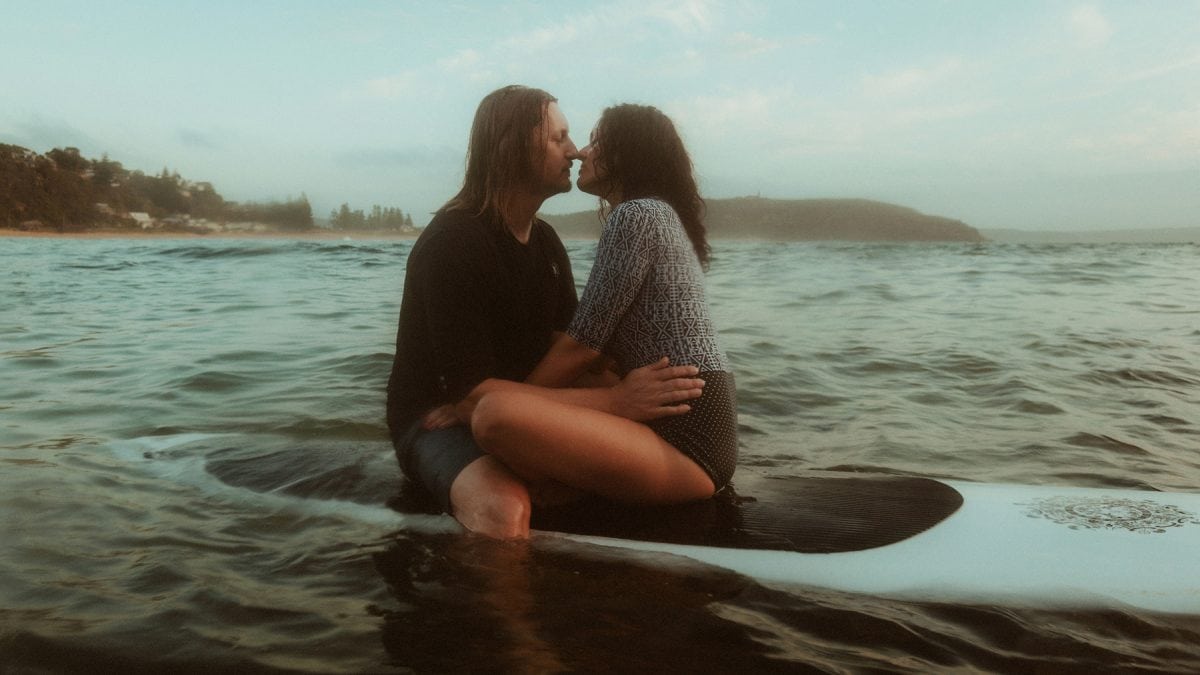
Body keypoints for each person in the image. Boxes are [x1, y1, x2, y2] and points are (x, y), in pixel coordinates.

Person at [386, 86, 705, 539]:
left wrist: (638, 388)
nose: (574, 153)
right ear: (512, 146)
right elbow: (472, 398)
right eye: (559, 138)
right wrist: (616, 403)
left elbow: (572, 350)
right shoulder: (452, 244)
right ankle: (503, 613)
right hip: (437, 418)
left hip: (518, 405)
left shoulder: (546, 243)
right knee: (504, 509)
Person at [457, 103, 738, 514]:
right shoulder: (655, 214)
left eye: (596, 142)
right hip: (688, 428)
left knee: (494, 415)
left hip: (687, 445)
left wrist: (493, 405)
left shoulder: (637, 215)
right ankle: (572, 485)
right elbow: (597, 352)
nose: (581, 152)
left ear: (626, 153)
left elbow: (582, 346)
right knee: (553, 394)